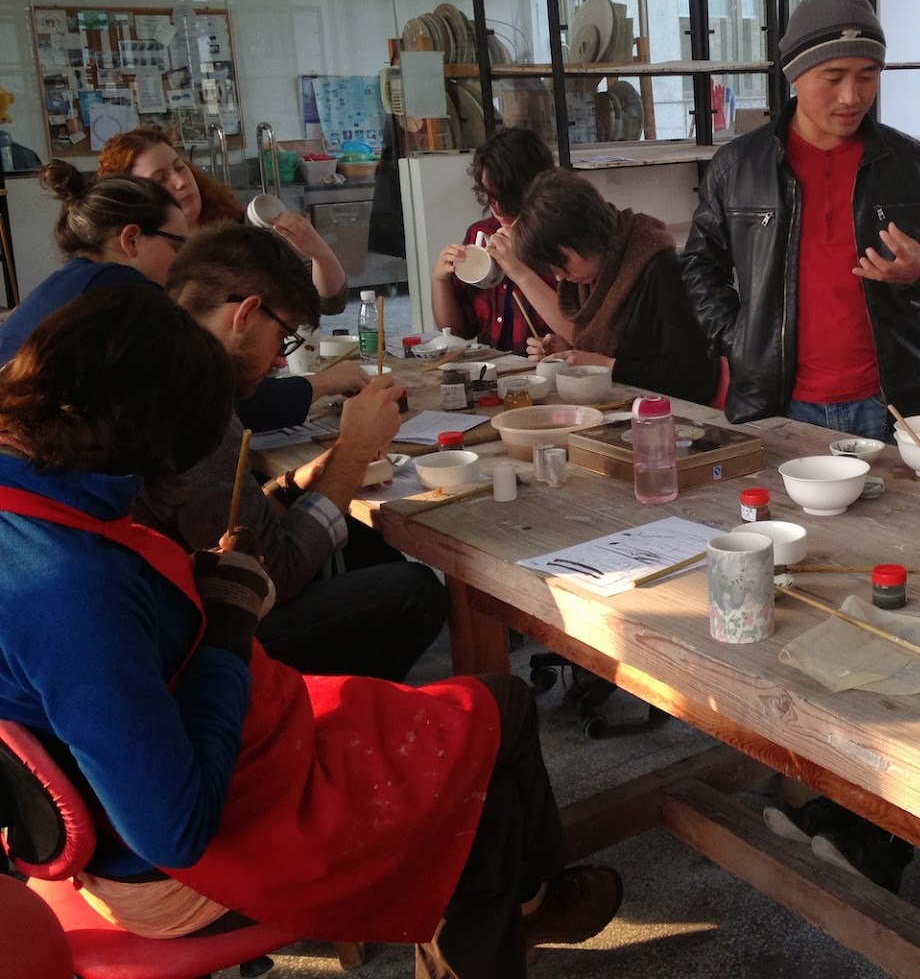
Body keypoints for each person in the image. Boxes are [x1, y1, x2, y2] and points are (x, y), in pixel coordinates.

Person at [0, 284, 621, 978]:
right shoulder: (67, 587)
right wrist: (228, 622)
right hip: (186, 861)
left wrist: (201, 584)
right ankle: (520, 904)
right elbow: (175, 830)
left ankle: (526, 903)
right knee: (483, 764)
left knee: (491, 718)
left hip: (200, 745)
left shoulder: (31, 492)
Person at [134, 223, 446, 682]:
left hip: (180, 593)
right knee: (414, 592)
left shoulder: (165, 362)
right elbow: (270, 574)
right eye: (282, 338)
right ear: (246, 313)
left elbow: (234, 522)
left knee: (358, 533)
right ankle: (302, 716)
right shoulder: (192, 406)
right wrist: (352, 450)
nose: (282, 360)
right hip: (193, 644)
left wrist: (298, 482)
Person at [682, 0, 920, 436]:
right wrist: (739, 339)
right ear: (795, 75)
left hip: (892, 402)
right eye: (833, 77)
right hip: (777, 403)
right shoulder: (738, 169)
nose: (851, 97)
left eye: (868, 76)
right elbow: (699, 267)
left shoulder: (912, 165)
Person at [99, 126, 363, 432]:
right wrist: (320, 386)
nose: (181, 182)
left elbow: (322, 302)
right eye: (161, 180)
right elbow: (218, 398)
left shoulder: (233, 229)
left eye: (180, 167)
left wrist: (316, 249)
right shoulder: (134, 294)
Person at [512, 169, 717, 404]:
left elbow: (695, 378)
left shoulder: (659, 269)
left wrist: (606, 365)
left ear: (585, 235)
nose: (559, 277)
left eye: (562, 261)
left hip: (672, 415)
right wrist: (569, 353)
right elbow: (615, 347)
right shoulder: (592, 276)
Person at [0, 162, 185, 362]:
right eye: (177, 247)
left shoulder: (72, 282)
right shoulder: (121, 287)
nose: (185, 261)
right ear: (131, 240)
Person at [431, 126, 559, 352]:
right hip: (491, 366)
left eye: (506, 196)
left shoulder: (558, 239)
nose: (497, 208)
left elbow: (581, 330)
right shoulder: (480, 234)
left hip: (544, 365)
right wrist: (440, 280)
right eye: (490, 196)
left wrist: (519, 269)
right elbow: (456, 331)